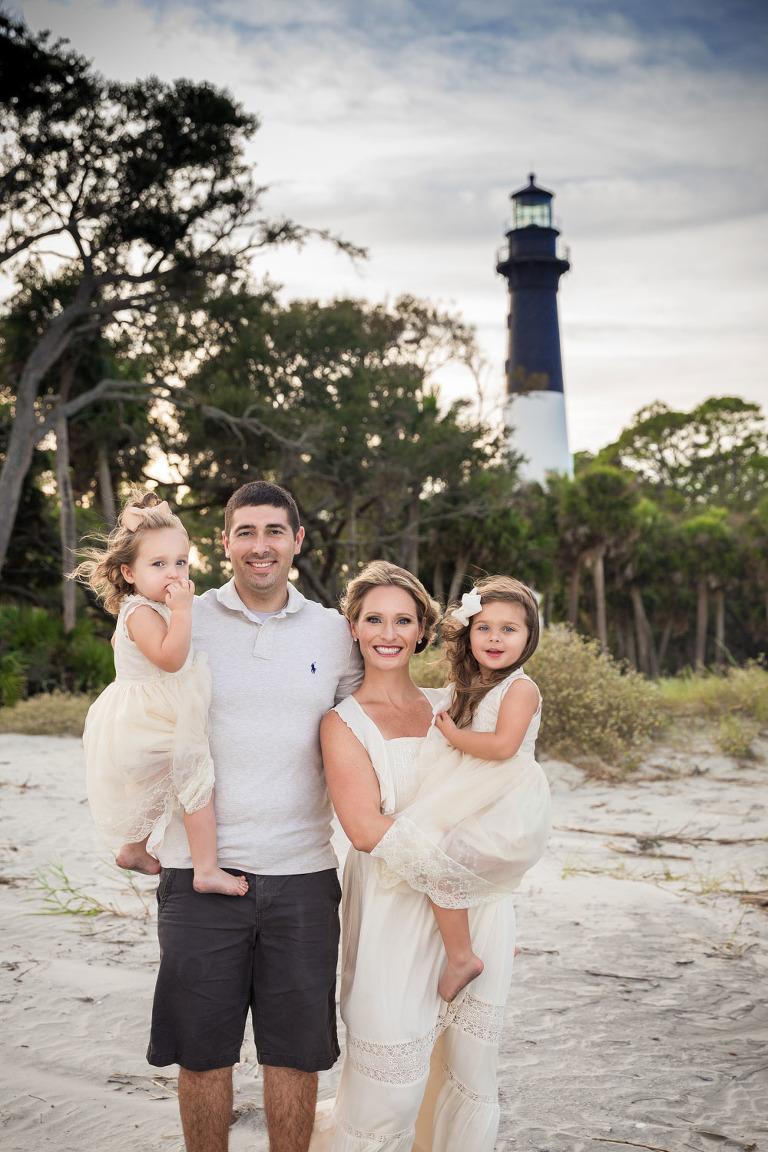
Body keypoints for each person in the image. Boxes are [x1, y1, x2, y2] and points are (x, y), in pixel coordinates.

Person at [145, 480, 363, 1152]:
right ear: (225, 542)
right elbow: (139, 717)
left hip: (303, 873)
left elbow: (367, 731)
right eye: (246, 532)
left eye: (274, 531)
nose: (260, 546)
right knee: (202, 1051)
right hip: (198, 871)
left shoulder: (332, 630)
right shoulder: (186, 620)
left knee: (295, 1054)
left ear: (298, 541)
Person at [312, 563, 550, 1152]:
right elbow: (366, 830)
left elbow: (497, 797)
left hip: (472, 910)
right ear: (354, 628)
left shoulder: (458, 704)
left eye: (402, 619)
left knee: (467, 1067)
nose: (387, 632)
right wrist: (456, 880)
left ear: (423, 630)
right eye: (373, 619)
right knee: (389, 1083)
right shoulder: (342, 723)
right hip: (394, 907)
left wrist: (483, 893)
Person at [77, 491, 247, 898]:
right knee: (197, 784)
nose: (173, 573)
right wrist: (184, 612)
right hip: (153, 720)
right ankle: (206, 870)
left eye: (181, 562)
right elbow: (171, 660)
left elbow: (128, 651)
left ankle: (134, 848)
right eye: (158, 564)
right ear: (129, 572)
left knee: (165, 785)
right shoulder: (141, 612)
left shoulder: (139, 611)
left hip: (146, 716)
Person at [428, 575, 546, 1002]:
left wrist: (453, 736)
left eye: (509, 629)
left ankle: (464, 958)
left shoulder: (520, 688)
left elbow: (502, 746)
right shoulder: (476, 684)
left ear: (529, 638)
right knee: (443, 859)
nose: (495, 638)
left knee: (441, 864)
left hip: (503, 805)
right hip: (477, 798)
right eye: (484, 627)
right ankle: (493, 943)